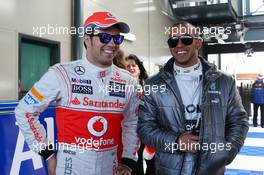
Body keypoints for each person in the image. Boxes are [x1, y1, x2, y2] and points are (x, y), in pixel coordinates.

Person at [15, 11, 139, 175]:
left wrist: (128, 162)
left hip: (111, 167)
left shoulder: (128, 81)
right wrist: (48, 154)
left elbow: (133, 122)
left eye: (117, 38)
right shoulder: (61, 73)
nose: (112, 44)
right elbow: (24, 111)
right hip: (70, 167)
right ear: (87, 39)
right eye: (104, 37)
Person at [137, 21, 249, 175]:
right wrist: (176, 141)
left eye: (186, 39)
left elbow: (239, 122)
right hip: (169, 169)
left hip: (211, 169)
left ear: (198, 42)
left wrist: (224, 153)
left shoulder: (224, 82)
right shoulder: (153, 84)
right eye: (173, 41)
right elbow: (144, 129)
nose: (179, 45)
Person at [125, 54, 155, 175]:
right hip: (129, 132)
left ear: (139, 68)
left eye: (134, 65)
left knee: (152, 163)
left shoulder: (149, 86)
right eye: (128, 66)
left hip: (147, 130)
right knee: (134, 164)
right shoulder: (119, 86)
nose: (131, 68)